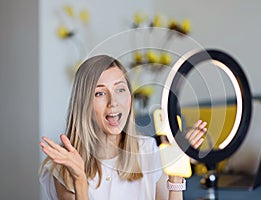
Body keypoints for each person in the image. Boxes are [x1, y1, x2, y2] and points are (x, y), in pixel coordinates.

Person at [39, 55, 207, 200]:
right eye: (100, 93)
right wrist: (80, 180)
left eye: (120, 89)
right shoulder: (62, 166)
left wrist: (176, 176)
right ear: (83, 104)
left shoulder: (149, 150)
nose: (113, 102)